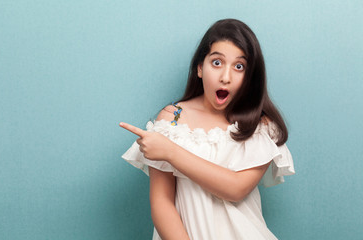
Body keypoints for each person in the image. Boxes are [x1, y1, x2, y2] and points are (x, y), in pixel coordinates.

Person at [120, 19, 295, 240]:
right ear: (200, 68)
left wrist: (171, 152)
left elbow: (236, 189)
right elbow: (161, 203)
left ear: (250, 78)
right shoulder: (172, 119)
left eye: (239, 66)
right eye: (217, 63)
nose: (225, 77)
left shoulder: (260, 127)